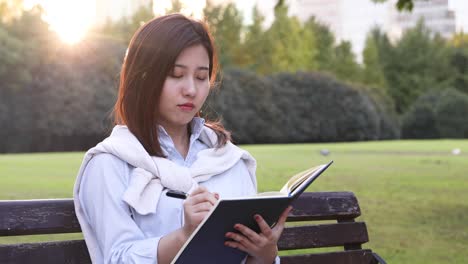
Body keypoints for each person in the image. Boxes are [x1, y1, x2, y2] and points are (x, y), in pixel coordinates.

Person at [73, 14, 291, 264]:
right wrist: (185, 236)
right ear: (143, 77)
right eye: (176, 75)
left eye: (201, 77)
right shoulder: (110, 164)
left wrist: (264, 254)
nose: (191, 89)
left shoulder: (228, 159)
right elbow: (117, 257)